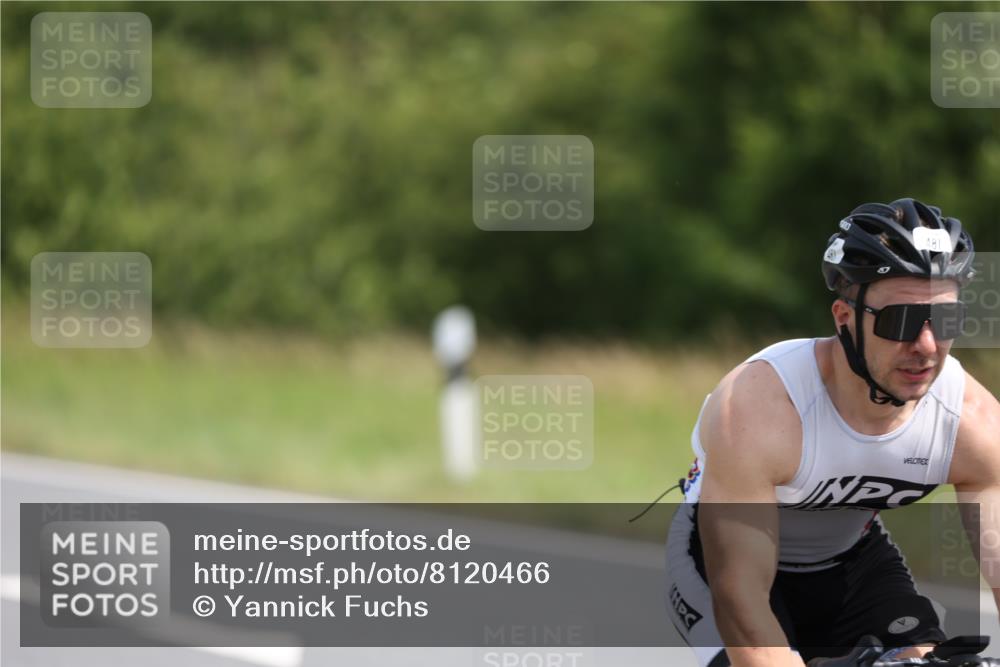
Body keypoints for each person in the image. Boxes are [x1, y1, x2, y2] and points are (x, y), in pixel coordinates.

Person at [664, 198, 1000, 667]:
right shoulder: (759, 408)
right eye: (900, 321)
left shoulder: (972, 422)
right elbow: (742, 602)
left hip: (852, 564)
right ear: (844, 318)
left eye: (946, 321)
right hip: (729, 569)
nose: (926, 346)